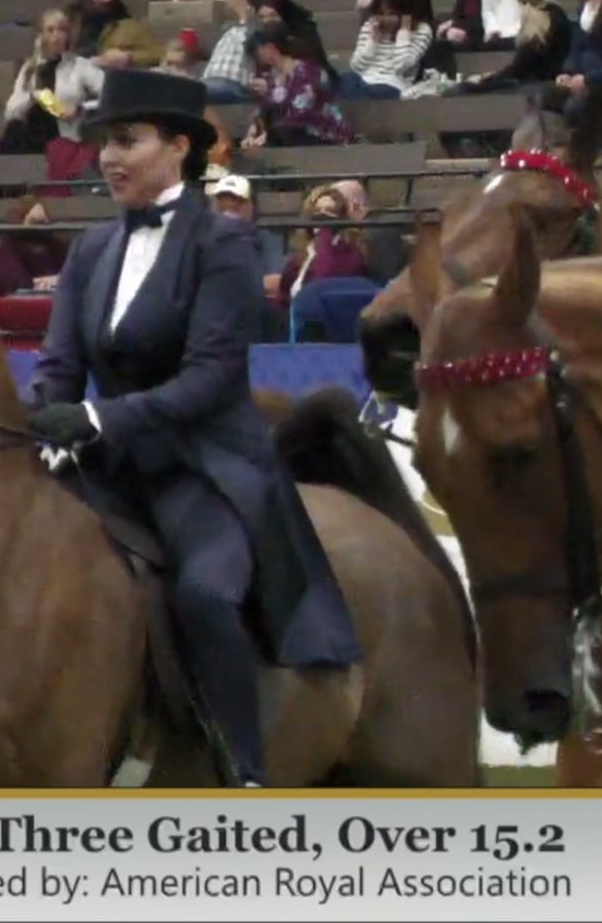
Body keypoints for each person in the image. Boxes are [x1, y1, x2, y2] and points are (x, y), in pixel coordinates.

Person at [23, 69, 363, 788]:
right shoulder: (90, 250)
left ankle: (242, 765)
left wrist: (95, 417)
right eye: (103, 144)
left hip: (202, 465)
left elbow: (209, 381)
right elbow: (59, 365)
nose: (108, 158)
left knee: (205, 595)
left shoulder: (222, 243)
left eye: (126, 141)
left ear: (178, 147)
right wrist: (46, 419)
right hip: (106, 470)